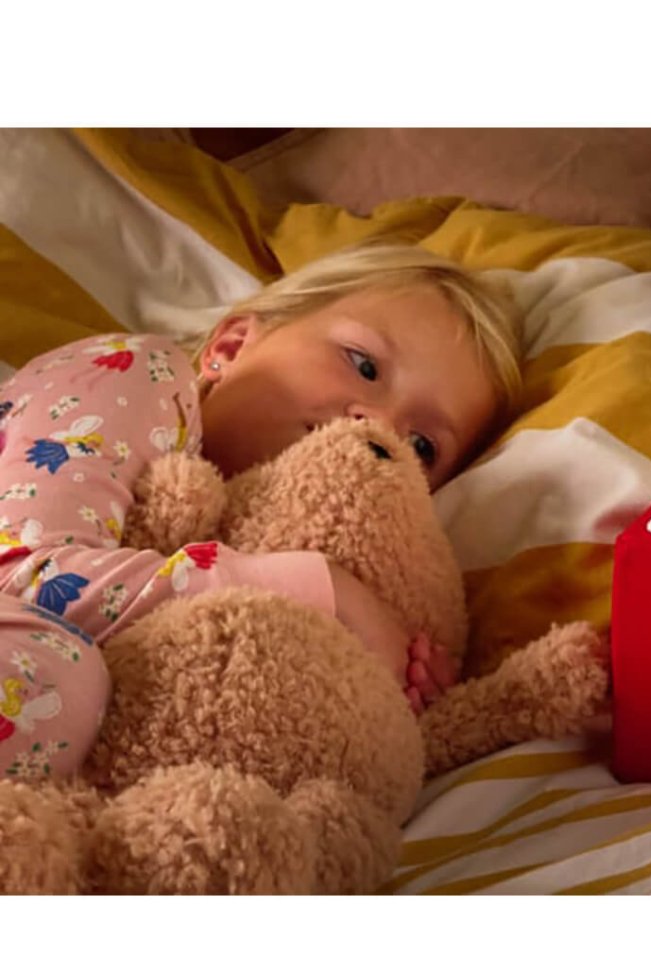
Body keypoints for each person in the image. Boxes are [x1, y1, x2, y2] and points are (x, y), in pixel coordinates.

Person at [0, 241, 523, 780]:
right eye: (364, 365)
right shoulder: (137, 374)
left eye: (422, 446)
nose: (376, 425)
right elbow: (25, 574)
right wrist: (323, 587)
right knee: (55, 681)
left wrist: (392, 691)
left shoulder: (242, 543)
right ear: (230, 345)